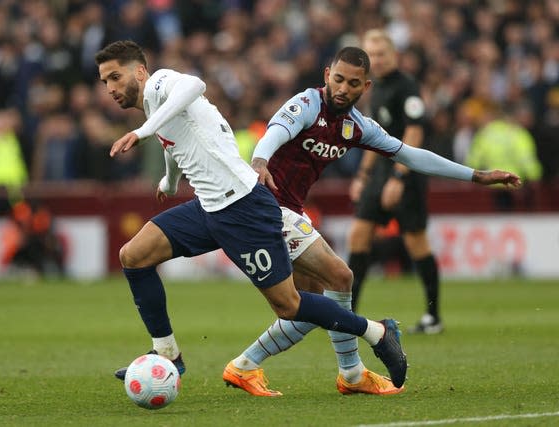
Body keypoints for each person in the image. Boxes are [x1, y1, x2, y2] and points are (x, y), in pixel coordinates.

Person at [94, 40, 409, 390]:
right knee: (133, 256)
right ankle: (167, 354)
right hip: (210, 206)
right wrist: (170, 180)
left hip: (242, 205)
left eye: (115, 77)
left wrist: (143, 131)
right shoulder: (156, 106)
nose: (110, 88)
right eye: (105, 80)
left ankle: (377, 332)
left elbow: (195, 85)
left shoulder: (161, 82)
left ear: (139, 71)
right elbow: (174, 139)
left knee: (289, 305)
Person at [222, 45, 521, 396]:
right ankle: (351, 373)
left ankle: (244, 366)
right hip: (263, 205)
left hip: (286, 209)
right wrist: (260, 161)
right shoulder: (306, 104)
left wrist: (477, 176)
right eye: (337, 79)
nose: (342, 88)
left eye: (352, 83)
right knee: (340, 276)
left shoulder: (356, 127)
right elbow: (273, 133)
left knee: (312, 304)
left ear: (365, 87)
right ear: (326, 77)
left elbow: (412, 156)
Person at [348, 29, 442, 334]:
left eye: (381, 53)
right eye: (371, 54)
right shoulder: (375, 88)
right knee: (358, 237)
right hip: (380, 174)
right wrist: (363, 175)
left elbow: (415, 130)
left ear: (393, 55)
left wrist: (399, 177)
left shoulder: (406, 86)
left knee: (416, 242)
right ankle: (348, 316)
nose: (376, 59)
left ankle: (433, 317)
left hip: (405, 175)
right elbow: (375, 137)